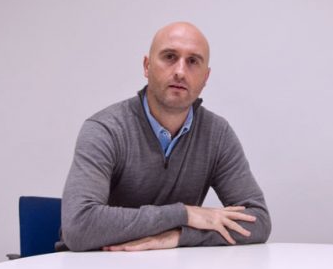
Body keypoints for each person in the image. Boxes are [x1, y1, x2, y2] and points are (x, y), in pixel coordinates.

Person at [60, 22, 271, 251]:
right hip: (96, 265)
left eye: (193, 61)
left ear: (206, 77)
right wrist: (184, 214)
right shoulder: (106, 129)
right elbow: (79, 226)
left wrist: (178, 236)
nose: (180, 71)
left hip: (173, 268)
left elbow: (258, 221)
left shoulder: (217, 134)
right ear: (147, 66)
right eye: (170, 57)